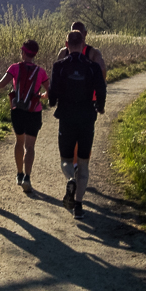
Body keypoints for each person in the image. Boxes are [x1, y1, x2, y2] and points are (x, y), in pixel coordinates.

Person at [49, 29, 106, 220]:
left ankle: (70, 179)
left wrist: (51, 102)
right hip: (87, 117)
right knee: (84, 163)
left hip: (66, 117)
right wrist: (100, 106)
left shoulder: (59, 66)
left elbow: (53, 91)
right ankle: (79, 206)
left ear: (66, 45)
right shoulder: (92, 67)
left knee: (66, 160)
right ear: (83, 45)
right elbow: (101, 89)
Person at [0, 39, 50, 192]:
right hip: (34, 111)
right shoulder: (41, 71)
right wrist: (42, 95)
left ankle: (19, 174)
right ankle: (27, 177)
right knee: (30, 146)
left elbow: (1, 85)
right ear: (34, 54)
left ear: (23, 52)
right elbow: (50, 91)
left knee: (19, 142)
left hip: (18, 110)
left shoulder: (14, 68)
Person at [56, 21, 106, 166]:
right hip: (89, 101)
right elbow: (102, 70)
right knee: (84, 136)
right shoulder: (93, 53)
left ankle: (73, 165)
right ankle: (80, 164)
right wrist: (99, 89)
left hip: (67, 102)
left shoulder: (63, 52)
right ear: (85, 35)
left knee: (68, 135)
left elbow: (57, 75)